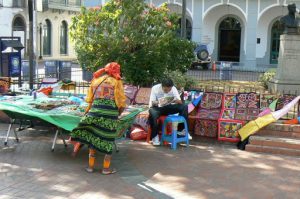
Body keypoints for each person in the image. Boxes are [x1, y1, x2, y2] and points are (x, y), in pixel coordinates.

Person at [70, 62, 126, 175]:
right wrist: (119, 112)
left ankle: (90, 167)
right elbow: (121, 102)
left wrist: (88, 112)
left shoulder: (95, 81)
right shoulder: (117, 81)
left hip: (94, 112)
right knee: (108, 140)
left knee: (93, 138)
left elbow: (89, 100)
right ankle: (105, 169)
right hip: (110, 114)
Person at [148, 78, 190, 146]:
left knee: (184, 107)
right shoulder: (155, 88)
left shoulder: (173, 88)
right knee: (152, 113)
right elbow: (152, 103)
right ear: (162, 86)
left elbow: (180, 102)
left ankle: (181, 131)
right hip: (157, 108)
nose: (167, 91)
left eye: (169, 89)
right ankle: (154, 136)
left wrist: (173, 100)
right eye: (165, 90)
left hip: (168, 107)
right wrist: (162, 101)